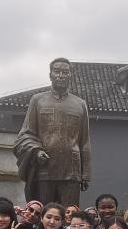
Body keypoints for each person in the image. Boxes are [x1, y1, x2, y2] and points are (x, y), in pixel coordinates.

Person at [13, 56, 92, 205]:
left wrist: (85, 174)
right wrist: (36, 151)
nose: (61, 75)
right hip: (45, 168)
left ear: (70, 76)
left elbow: (85, 141)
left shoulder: (80, 104)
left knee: (70, 213)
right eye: (57, 71)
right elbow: (26, 133)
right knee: (44, 212)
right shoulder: (37, 100)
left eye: (65, 72)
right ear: (50, 75)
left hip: (71, 170)